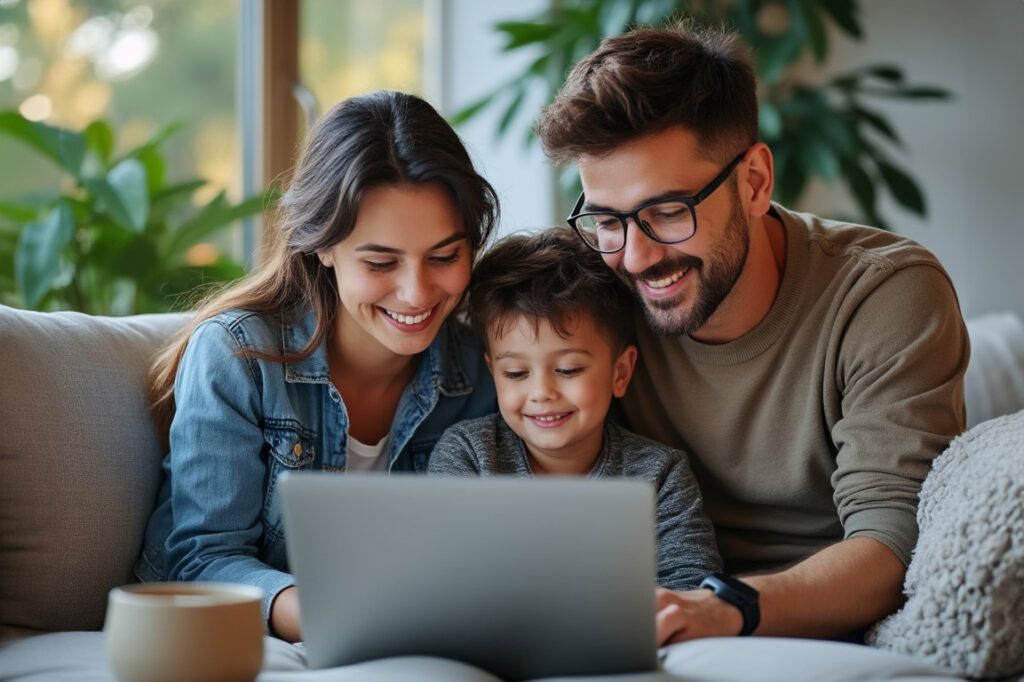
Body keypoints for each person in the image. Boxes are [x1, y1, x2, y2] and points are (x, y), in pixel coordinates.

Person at [535, 23, 969, 644]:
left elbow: (890, 544)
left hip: (809, 627)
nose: (634, 257)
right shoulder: (594, 294)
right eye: (607, 221)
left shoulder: (884, 293)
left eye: (665, 212)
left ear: (755, 182)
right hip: (644, 618)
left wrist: (723, 608)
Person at [134, 91, 500, 643]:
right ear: (323, 246)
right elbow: (201, 560)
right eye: (381, 262)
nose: (417, 291)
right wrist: (336, 614)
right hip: (266, 636)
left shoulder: (485, 370)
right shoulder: (236, 357)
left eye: (445, 257)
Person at [428, 227, 721, 590]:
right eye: (516, 373)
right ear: (494, 373)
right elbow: (444, 578)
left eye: (568, 370)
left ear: (621, 372)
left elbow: (692, 585)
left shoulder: (659, 475)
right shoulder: (469, 455)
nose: (541, 392)